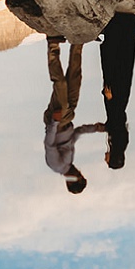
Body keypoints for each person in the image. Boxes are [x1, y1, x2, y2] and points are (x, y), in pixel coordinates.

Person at [43, 37, 105, 193]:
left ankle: (53, 45)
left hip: (57, 119)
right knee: (75, 77)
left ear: (70, 182)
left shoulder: (56, 165)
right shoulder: (69, 161)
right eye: (81, 175)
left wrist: (55, 122)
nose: (79, 172)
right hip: (68, 117)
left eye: (78, 176)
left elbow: (49, 144)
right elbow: (77, 133)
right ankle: (78, 41)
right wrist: (96, 128)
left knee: (60, 84)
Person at [100, 12, 135, 169]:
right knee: (116, 60)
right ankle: (120, 24)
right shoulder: (119, 141)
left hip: (118, 96)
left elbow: (116, 122)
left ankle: (120, 26)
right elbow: (117, 119)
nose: (105, 159)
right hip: (116, 95)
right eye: (108, 160)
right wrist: (111, 98)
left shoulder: (120, 143)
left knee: (118, 60)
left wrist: (104, 126)